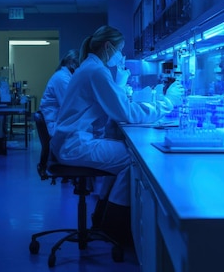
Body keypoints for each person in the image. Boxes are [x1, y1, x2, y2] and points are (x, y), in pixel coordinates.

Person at [49, 25, 184, 246]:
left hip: (72, 140)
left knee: (128, 156)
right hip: (75, 144)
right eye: (120, 50)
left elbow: (116, 106)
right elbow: (126, 112)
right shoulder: (96, 71)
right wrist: (167, 102)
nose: (121, 56)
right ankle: (114, 226)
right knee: (134, 160)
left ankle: (103, 217)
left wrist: (120, 83)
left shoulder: (91, 67)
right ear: (108, 46)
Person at [39, 49, 80, 137]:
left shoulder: (65, 77)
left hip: (59, 121)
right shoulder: (62, 78)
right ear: (71, 63)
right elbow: (70, 106)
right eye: (79, 65)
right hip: (55, 124)